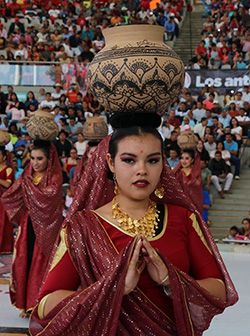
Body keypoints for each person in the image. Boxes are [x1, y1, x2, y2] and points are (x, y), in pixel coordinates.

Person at [29, 113, 238, 335]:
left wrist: (170, 279)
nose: (142, 170)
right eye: (129, 160)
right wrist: (113, 288)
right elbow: (45, 305)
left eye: (153, 160)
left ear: (163, 164)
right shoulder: (83, 227)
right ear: (110, 163)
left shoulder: (184, 219)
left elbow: (219, 290)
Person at [1, 140, 64, 316]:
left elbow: (49, 198)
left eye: (40, 159)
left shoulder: (54, 177)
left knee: (42, 264)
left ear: (49, 159)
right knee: (24, 260)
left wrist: (28, 189)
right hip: (28, 223)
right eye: (33, 158)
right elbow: (11, 194)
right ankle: (25, 303)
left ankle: (39, 304)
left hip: (47, 228)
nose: (35, 163)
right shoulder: (27, 173)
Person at [174, 148, 203, 214]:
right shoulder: (177, 173)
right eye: (182, 158)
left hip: (195, 206)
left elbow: (197, 188)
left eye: (187, 158)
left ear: (192, 160)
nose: (183, 161)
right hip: (181, 206)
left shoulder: (196, 174)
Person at [0, 146, 14, 253]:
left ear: (4, 157)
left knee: (3, 222)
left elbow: (8, 184)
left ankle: (5, 247)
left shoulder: (8, 169)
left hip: (3, 199)